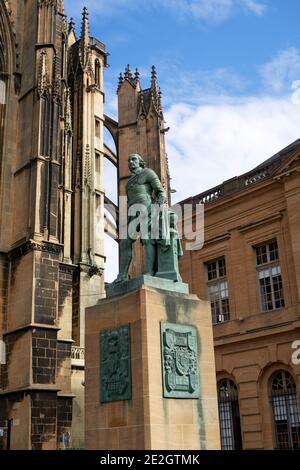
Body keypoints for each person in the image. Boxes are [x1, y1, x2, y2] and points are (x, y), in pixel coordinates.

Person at [114, 153, 167, 283]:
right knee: (125, 242)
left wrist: (157, 210)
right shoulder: (129, 183)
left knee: (147, 239)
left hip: (146, 208)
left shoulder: (148, 173)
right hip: (133, 212)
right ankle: (122, 275)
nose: (131, 162)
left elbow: (161, 192)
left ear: (140, 162)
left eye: (134, 159)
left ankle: (149, 271)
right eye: (129, 160)